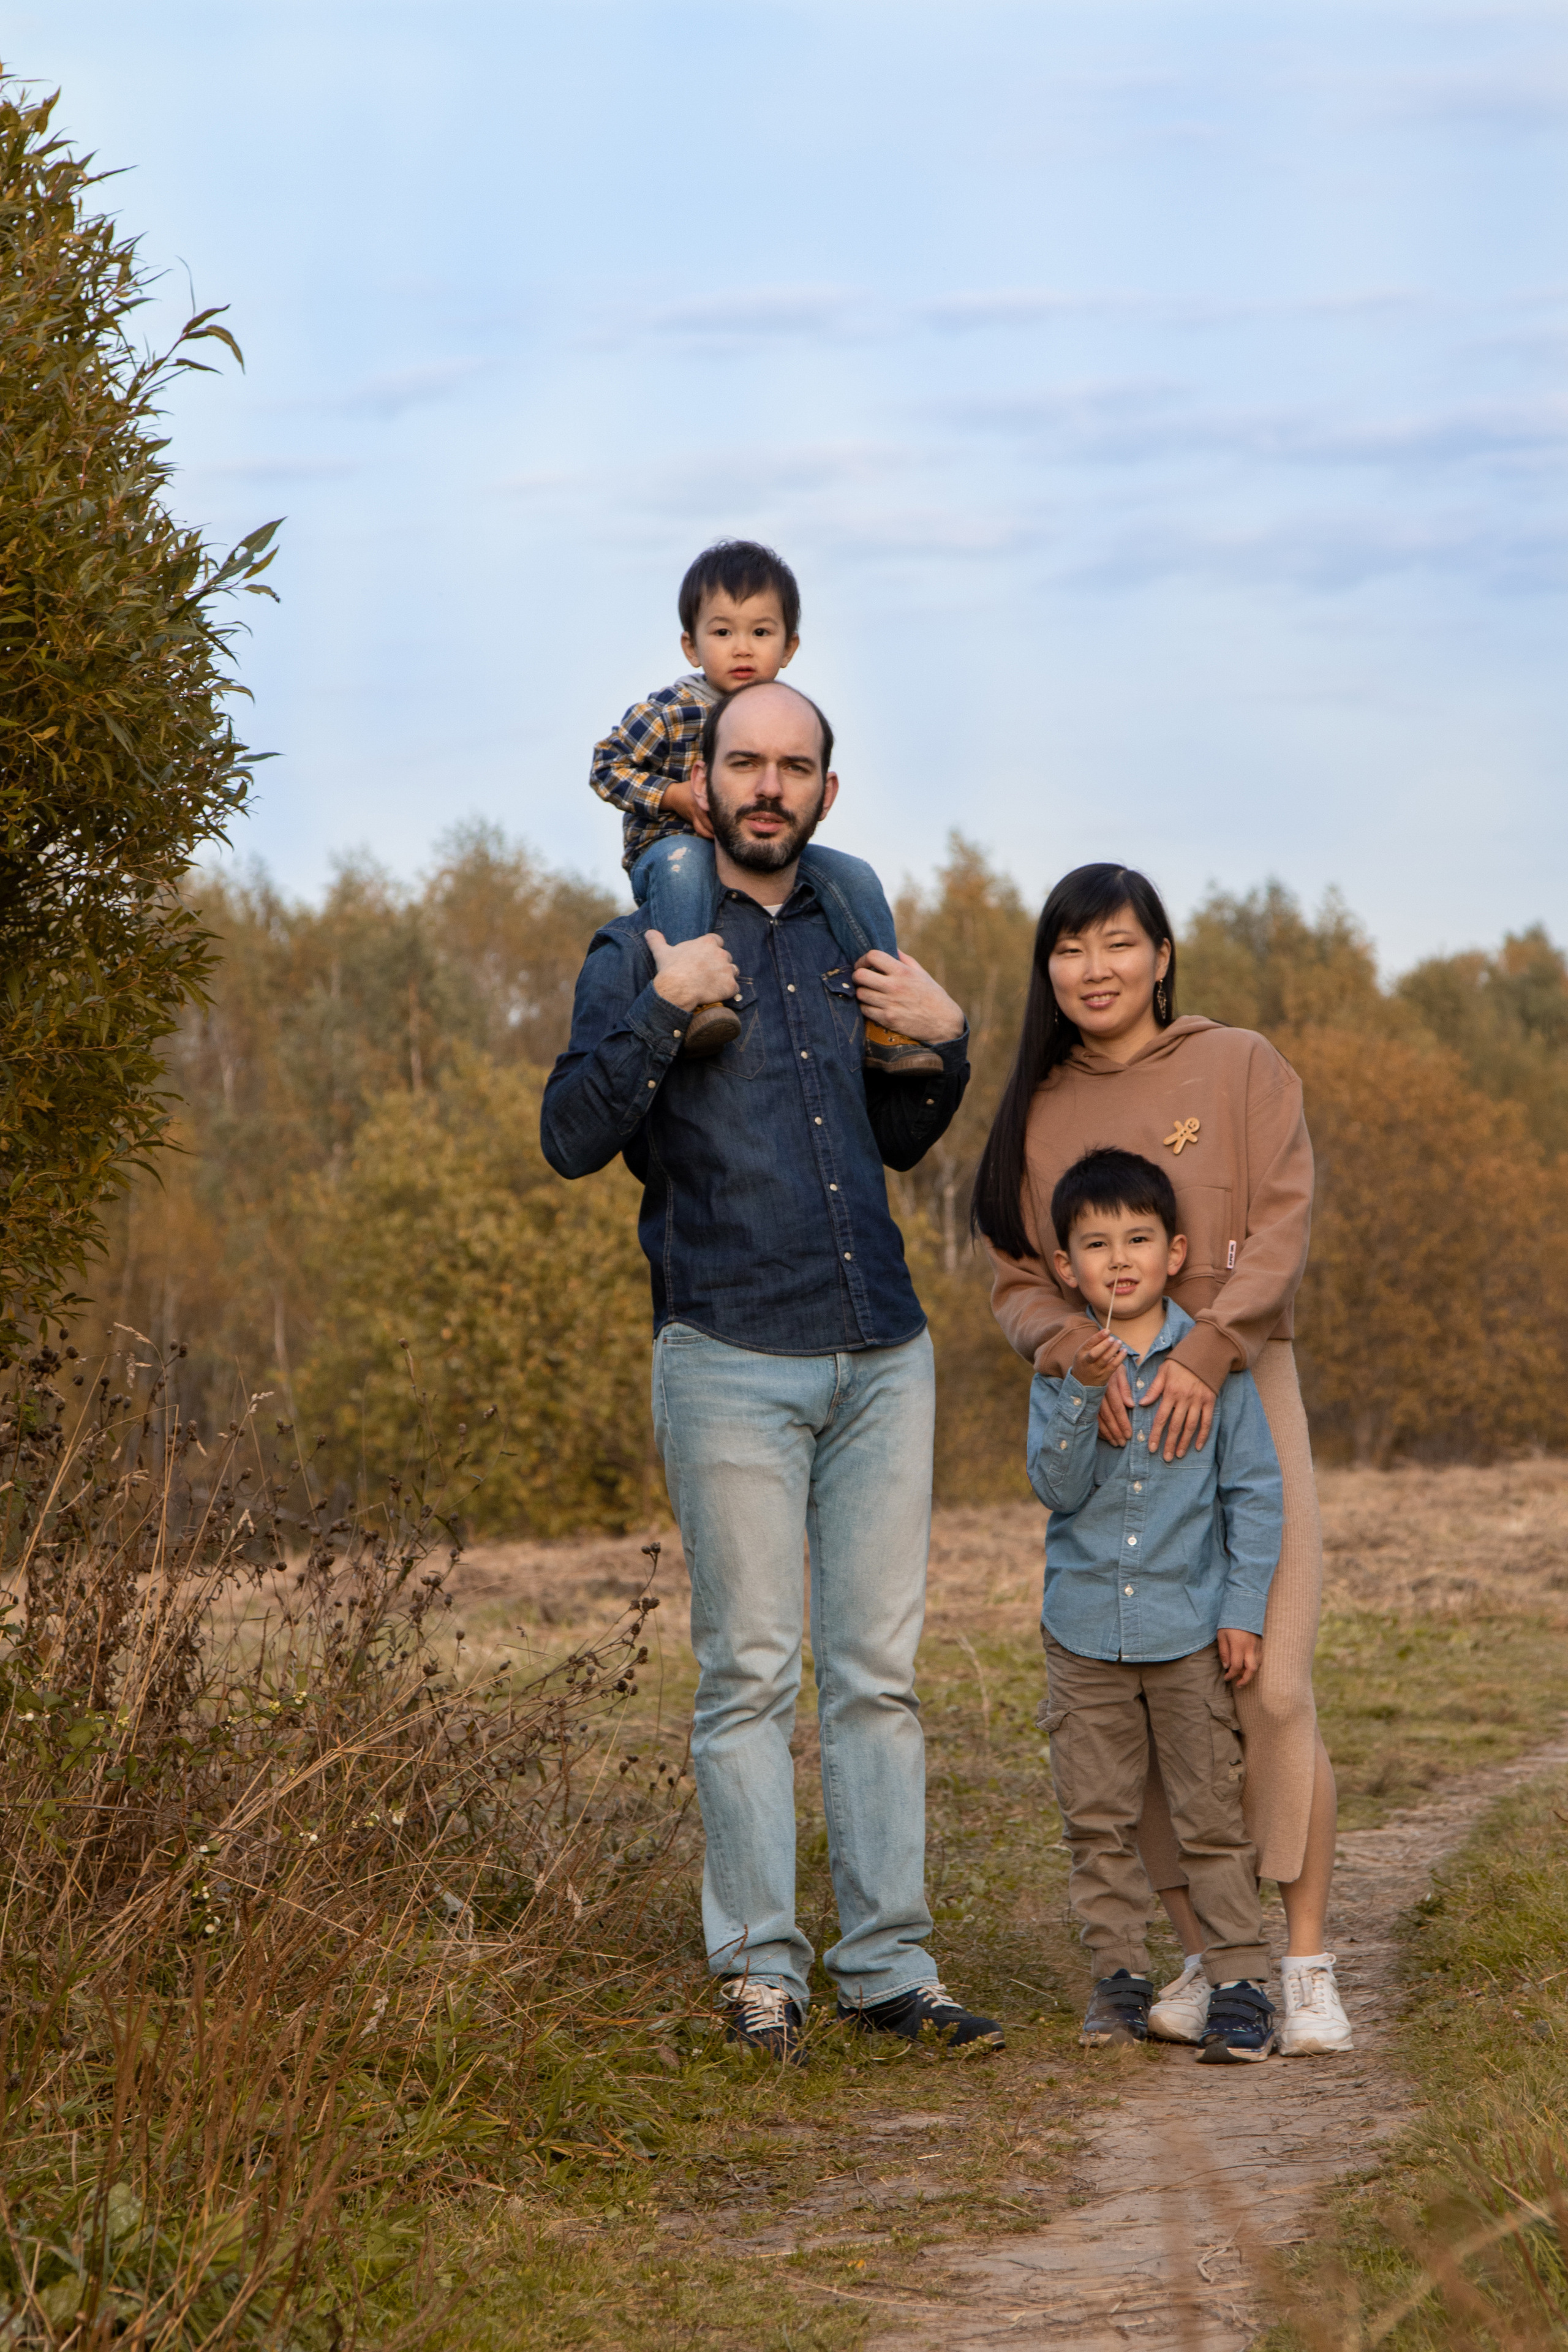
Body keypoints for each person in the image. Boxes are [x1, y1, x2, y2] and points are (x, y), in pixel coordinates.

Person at [543, 676, 1002, 2065]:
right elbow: (569, 1133)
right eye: (742, 760)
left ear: (824, 791)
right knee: (747, 1673)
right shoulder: (640, 941)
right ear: (703, 775)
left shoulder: (855, 938)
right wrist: (660, 1010)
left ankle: (887, 1968)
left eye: (792, 765)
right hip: (728, 1352)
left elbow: (905, 1139)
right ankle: (759, 1976)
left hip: (881, 1351)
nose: (766, 783)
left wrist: (951, 1039)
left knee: (875, 1677)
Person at [971, 862, 1354, 2058]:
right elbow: (1016, 1283)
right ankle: (1206, 1952)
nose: (1094, 970)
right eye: (1070, 949)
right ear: (1047, 968)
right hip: (1117, 1405)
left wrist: (1208, 1352)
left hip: (1238, 1383)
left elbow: (1282, 1222)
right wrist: (1085, 1358)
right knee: (1138, 1703)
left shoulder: (1237, 1064)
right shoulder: (1033, 1109)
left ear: (1161, 954)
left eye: (1117, 944)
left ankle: (1299, 1959)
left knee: (1268, 1681)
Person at [1029, 1146, 1283, 2060]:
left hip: (1187, 1629)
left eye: (1139, 1238)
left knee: (1208, 1813)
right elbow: (1055, 1489)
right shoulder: (1063, 1369)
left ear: (1176, 1251)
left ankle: (1242, 1986)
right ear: (1067, 1267)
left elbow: (1252, 1495)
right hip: (1084, 1630)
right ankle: (1119, 1983)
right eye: (1096, 1244)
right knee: (1096, 1816)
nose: (1120, 1258)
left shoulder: (1214, 1368)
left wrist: (1243, 1609)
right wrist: (1081, 1400)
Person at [589, 537, 941, 1072]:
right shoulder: (669, 710)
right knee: (686, 866)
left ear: (789, 648)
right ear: (692, 646)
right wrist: (674, 796)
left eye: (761, 632)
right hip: (669, 849)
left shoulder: (785, 715)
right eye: (723, 632)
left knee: (855, 876)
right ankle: (699, 999)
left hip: (760, 853)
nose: (743, 648)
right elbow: (605, 767)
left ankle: (887, 1018)